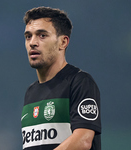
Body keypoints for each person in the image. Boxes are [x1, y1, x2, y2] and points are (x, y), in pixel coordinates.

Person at [21, 6, 101, 150]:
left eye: (42, 35)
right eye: (28, 36)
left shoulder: (79, 82)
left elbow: (83, 140)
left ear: (63, 42)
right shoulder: (30, 92)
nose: (32, 42)